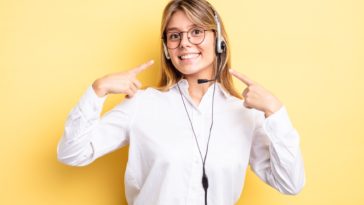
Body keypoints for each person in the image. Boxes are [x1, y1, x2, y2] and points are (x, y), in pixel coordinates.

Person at [57, 0, 305, 204]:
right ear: (167, 48)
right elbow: (72, 154)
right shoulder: (142, 105)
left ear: (218, 40)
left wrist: (275, 112)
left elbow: (290, 183)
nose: (184, 43)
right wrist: (97, 91)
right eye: (175, 36)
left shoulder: (245, 114)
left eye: (196, 32)